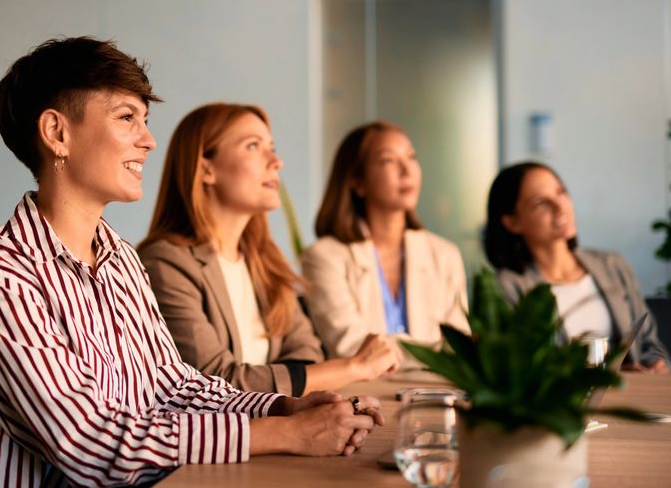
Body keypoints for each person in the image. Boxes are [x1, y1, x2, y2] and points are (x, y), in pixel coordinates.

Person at [0, 38, 383, 487]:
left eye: (144, 119)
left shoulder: (119, 258)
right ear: (56, 133)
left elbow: (175, 387)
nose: (149, 141)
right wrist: (288, 435)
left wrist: (283, 408)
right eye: (127, 118)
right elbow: (87, 445)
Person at [138, 103, 399, 397]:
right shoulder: (165, 262)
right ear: (206, 169)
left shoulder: (265, 260)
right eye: (253, 146)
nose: (276, 161)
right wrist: (353, 367)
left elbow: (306, 354)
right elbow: (213, 381)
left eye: (271, 147)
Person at [301, 121, 468, 361]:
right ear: (357, 182)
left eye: (412, 157)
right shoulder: (323, 257)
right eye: (388, 160)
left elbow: (458, 348)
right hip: (362, 394)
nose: (407, 170)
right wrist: (431, 354)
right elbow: (351, 347)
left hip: (435, 395)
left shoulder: (445, 254)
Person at [483, 161, 669, 374]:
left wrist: (655, 367)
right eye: (541, 203)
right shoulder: (507, 286)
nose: (560, 207)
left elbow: (650, 345)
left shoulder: (612, 266)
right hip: (559, 407)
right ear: (512, 222)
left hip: (632, 402)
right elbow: (514, 370)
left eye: (561, 192)